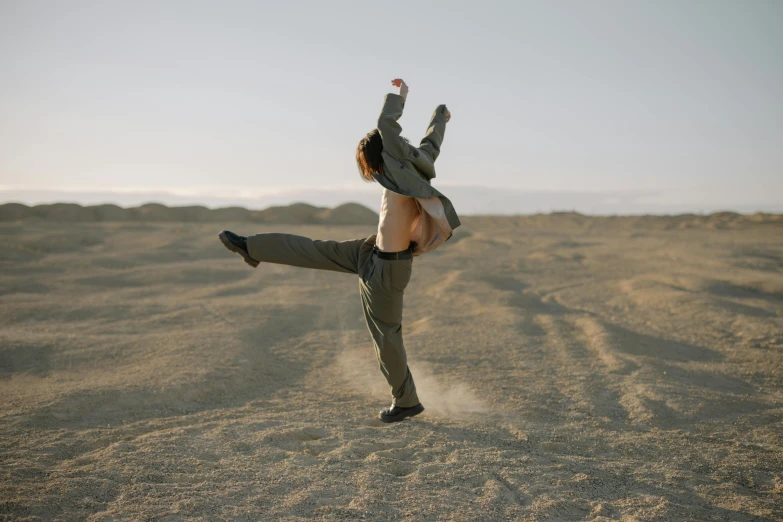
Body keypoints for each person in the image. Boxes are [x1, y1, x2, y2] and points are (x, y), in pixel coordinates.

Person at [218, 79, 460, 423]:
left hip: (387, 269)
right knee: (314, 250)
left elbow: (386, 127)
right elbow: (431, 143)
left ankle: (406, 401)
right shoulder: (416, 163)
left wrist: (400, 96)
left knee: (386, 337)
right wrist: (440, 117)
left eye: (370, 166)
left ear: (380, 158)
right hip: (369, 251)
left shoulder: (394, 166)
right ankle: (251, 246)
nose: (372, 174)